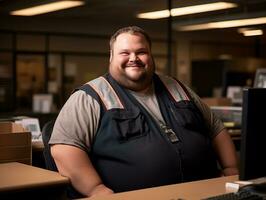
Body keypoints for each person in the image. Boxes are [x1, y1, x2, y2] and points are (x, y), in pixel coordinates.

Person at [49, 26, 239, 198]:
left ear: (150, 55)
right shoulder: (91, 96)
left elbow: (216, 129)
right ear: (111, 56)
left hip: (206, 193)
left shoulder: (178, 88)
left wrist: (231, 169)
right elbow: (64, 149)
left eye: (141, 52)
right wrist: (97, 190)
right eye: (125, 52)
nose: (134, 58)